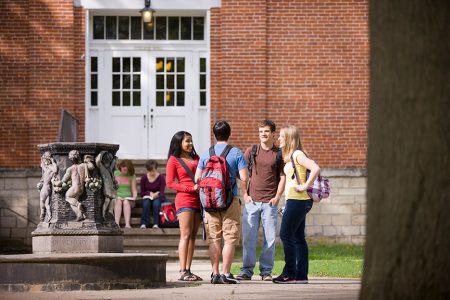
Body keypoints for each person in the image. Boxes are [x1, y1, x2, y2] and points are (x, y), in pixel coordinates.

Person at [195, 120, 248, 284]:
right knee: (230, 238)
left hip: (210, 202)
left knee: (214, 239)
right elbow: (245, 177)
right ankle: (226, 273)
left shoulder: (206, 153)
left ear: (214, 135)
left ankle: (215, 273)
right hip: (230, 200)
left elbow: (197, 178)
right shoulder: (236, 153)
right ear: (229, 133)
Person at [236, 120, 286, 282]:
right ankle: (246, 271)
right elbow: (243, 174)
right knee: (249, 238)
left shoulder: (279, 153)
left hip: (270, 203)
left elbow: (282, 176)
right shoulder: (252, 151)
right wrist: (245, 194)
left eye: (266, 131)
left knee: (270, 239)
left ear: (273, 134)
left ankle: (266, 271)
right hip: (252, 202)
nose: (263, 134)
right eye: (260, 131)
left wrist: (278, 197)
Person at [272, 125, 320, 284]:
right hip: (296, 201)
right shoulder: (292, 155)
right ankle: (301, 275)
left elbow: (315, 168)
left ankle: (289, 273)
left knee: (286, 235)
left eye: (281, 136)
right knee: (298, 237)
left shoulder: (298, 154)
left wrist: (305, 185)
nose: (278, 139)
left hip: (298, 200)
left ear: (289, 139)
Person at [166, 131, 203, 281]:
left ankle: (188, 270)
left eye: (191, 141)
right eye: (187, 141)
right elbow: (170, 183)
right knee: (185, 235)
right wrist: (189, 188)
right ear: (179, 143)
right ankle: (182, 271)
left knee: (193, 237)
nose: (190, 144)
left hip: (198, 199)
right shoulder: (173, 160)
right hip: (184, 199)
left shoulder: (197, 158)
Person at [140, 159, 166, 229]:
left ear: (156, 169)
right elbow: (142, 193)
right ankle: (144, 224)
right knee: (146, 204)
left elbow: (162, 193)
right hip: (147, 197)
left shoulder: (161, 178)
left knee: (156, 204)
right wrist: (149, 193)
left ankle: (156, 223)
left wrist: (157, 194)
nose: (152, 173)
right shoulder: (144, 178)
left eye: (153, 171)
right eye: (150, 171)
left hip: (158, 197)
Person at [114, 159, 138, 228]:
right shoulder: (115, 174)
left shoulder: (132, 176)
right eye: (123, 169)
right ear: (120, 167)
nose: (125, 171)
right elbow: (113, 188)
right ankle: (116, 223)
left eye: (126, 170)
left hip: (128, 198)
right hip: (117, 197)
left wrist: (134, 197)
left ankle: (127, 224)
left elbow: (134, 190)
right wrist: (115, 196)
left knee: (126, 202)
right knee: (118, 201)